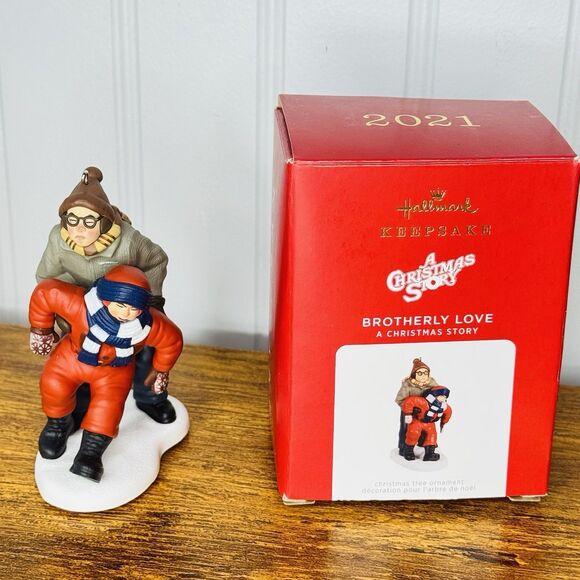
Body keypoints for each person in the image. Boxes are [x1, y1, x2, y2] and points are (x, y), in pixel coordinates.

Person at [36, 166, 176, 424]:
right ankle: (80, 407)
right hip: (83, 314)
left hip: (129, 310)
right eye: (72, 219)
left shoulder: (129, 241)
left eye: (89, 221)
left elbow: (157, 260)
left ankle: (149, 398)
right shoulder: (58, 239)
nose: (79, 228)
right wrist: (64, 309)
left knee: (146, 354)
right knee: (81, 358)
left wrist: (151, 301)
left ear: (104, 220)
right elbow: (47, 277)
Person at [29, 265, 183, 482]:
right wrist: (41, 329)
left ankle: (91, 452)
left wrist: (160, 369)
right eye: (121, 305)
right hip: (71, 358)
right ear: (107, 299)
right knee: (54, 386)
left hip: (114, 370)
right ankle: (58, 425)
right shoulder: (81, 305)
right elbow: (46, 293)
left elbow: (172, 340)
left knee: (108, 407)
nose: (126, 314)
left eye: (134, 308)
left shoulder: (147, 325)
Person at [394, 358, 438, 455]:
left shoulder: (432, 383)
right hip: (409, 411)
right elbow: (399, 399)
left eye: (425, 373)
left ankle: (426, 444)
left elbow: (438, 395)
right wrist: (410, 410)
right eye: (420, 373)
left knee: (428, 427)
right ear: (414, 374)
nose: (423, 376)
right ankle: (404, 448)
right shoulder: (407, 385)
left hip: (425, 411)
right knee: (406, 429)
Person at [400, 386, 452, 462]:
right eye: (441, 396)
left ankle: (429, 453)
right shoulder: (423, 402)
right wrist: (408, 414)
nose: (444, 398)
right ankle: (408, 451)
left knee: (432, 436)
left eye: (445, 397)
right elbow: (409, 401)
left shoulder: (444, 407)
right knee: (413, 434)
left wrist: (443, 423)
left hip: (430, 424)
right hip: (417, 422)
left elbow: (448, 413)